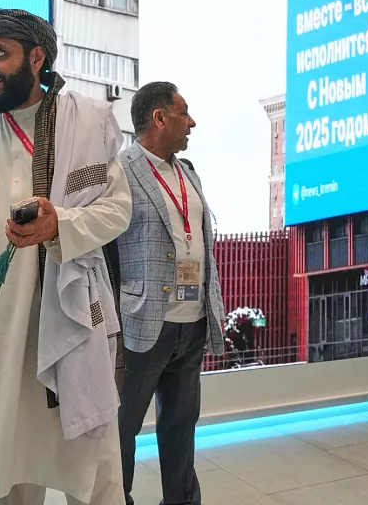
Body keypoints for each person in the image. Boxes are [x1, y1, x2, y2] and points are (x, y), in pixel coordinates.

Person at [0, 8, 132, 505]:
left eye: (0, 53)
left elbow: (118, 209)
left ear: (36, 58)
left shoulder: (88, 121)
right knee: (1, 449)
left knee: (91, 453)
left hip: (69, 310)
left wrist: (61, 223)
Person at [114, 83, 225, 505]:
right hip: (144, 321)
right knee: (123, 427)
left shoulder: (188, 172)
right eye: (184, 112)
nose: (192, 122)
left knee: (181, 423)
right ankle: (114, 498)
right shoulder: (120, 171)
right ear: (159, 118)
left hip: (191, 321)